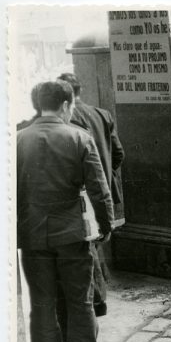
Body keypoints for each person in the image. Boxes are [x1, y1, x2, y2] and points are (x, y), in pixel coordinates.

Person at [17, 81, 113, 342]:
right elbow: (99, 189)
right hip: (72, 233)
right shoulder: (79, 137)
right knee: (79, 300)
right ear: (66, 105)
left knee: (42, 303)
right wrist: (106, 223)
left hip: (32, 236)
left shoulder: (18, 139)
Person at [56, 72, 124, 328]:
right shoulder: (102, 113)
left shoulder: (68, 120)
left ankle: (97, 300)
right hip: (102, 188)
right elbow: (118, 153)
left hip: (83, 194)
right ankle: (100, 296)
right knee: (96, 244)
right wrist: (106, 175)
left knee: (89, 247)